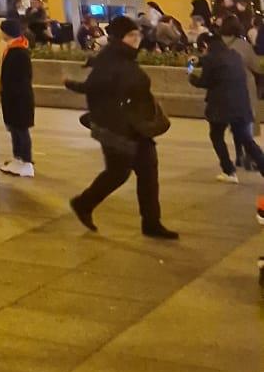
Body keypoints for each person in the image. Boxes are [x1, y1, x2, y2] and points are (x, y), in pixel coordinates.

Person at [66, 15, 178, 240]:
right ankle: (83, 203)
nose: (136, 39)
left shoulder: (124, 58)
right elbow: (94, 89)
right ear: (119, 38)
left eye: (137, 35)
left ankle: (151, 223)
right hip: (117, 129)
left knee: (148, 173)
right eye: (131, 35)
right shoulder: (110, 61)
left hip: (138, 127)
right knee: (118, 173)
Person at [191, 27, 264, 181]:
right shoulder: (234, 55)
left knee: (216, 136)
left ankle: (228, 170)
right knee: (246, 139)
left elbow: (204, 82)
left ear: (205, 46)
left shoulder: (211, 59)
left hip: (220, 107)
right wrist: (201, 60)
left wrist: (192, 77)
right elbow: (219, 62)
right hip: (240, 105)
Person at [0, 16, 36, 177]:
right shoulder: (13, 49)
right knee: (14, 129)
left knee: (21, 130)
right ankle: (18, 158)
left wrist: (11, 94)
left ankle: (26, 161)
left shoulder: (19, 52)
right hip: (13, 98)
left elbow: (21, 78)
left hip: (19, 98)